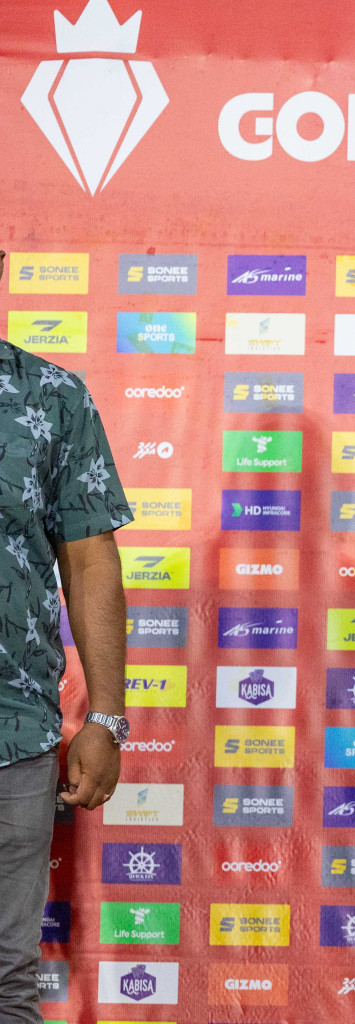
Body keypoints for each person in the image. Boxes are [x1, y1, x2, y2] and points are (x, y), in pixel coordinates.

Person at [0, 317, 134, 1023]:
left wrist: (105, 717)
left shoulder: (50, 395)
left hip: (12, 735)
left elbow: (89, 561)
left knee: (5, 977)